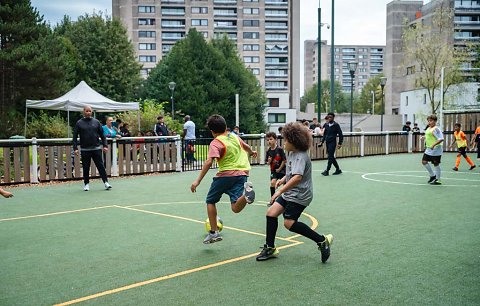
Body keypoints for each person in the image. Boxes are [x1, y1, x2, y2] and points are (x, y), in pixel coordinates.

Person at [256, 122, 333, 263]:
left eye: (286, 140)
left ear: (295, 141)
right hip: (291, 192)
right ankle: (270, 248)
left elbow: (297, 177)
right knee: (271, 213)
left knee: (289, 223)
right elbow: (292, 172)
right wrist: (284, 179)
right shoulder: (291, 152)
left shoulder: (300, 156)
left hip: (300, 195)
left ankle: (322, 241)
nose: (283, 142)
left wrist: (279, 191)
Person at [190, 114, 257, 244]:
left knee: (210, 200)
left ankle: (213, 233)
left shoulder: (216, 142)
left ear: (212, 131)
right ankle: (246, 195)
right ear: (226, 126)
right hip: (242, 174)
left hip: (225, 175)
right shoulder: (234, 136)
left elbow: (209, 161)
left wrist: (197, 180)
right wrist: (252, 152)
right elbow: (246, 146)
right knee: (235, 207)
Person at [73, 105, 112, 191]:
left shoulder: (96, 122)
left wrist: (105, 146)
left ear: (92, 112)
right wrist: (75, 148)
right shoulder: (79, 123)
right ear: (83, 112)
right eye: (86, 111)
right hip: (85, 149)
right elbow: (75, 137)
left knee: (101, 166)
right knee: (86, 167)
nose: (88, 112)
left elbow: (102, 135)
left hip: (96, 148)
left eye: (89, 111)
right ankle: (86, 184)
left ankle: (106, 182)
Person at [421, 114, 444, 185]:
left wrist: (433, 145)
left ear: (435, 121)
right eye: (428, 121)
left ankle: (438, 180)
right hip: (428, 149)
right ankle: (432, 176)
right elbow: (429, 136)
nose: (429, 122)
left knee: (435, 164)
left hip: (436, 149)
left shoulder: (436, 129)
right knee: (424, 161)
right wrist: (423, 137)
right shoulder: (429, 128)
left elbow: (441, 139)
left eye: (431, 121)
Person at [265, 132, 286, 202]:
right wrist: (269, 161)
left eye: (271, 139)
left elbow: (284, 160)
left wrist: (279, 168)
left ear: (275, 140)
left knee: (285, 184)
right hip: (273, 171)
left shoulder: (280, 149)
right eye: (267, 140)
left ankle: (287, 199)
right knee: (272, 183)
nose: (269, 141)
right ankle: (272, 199)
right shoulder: (268, 151)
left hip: (282, 170)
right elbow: (267, 163)